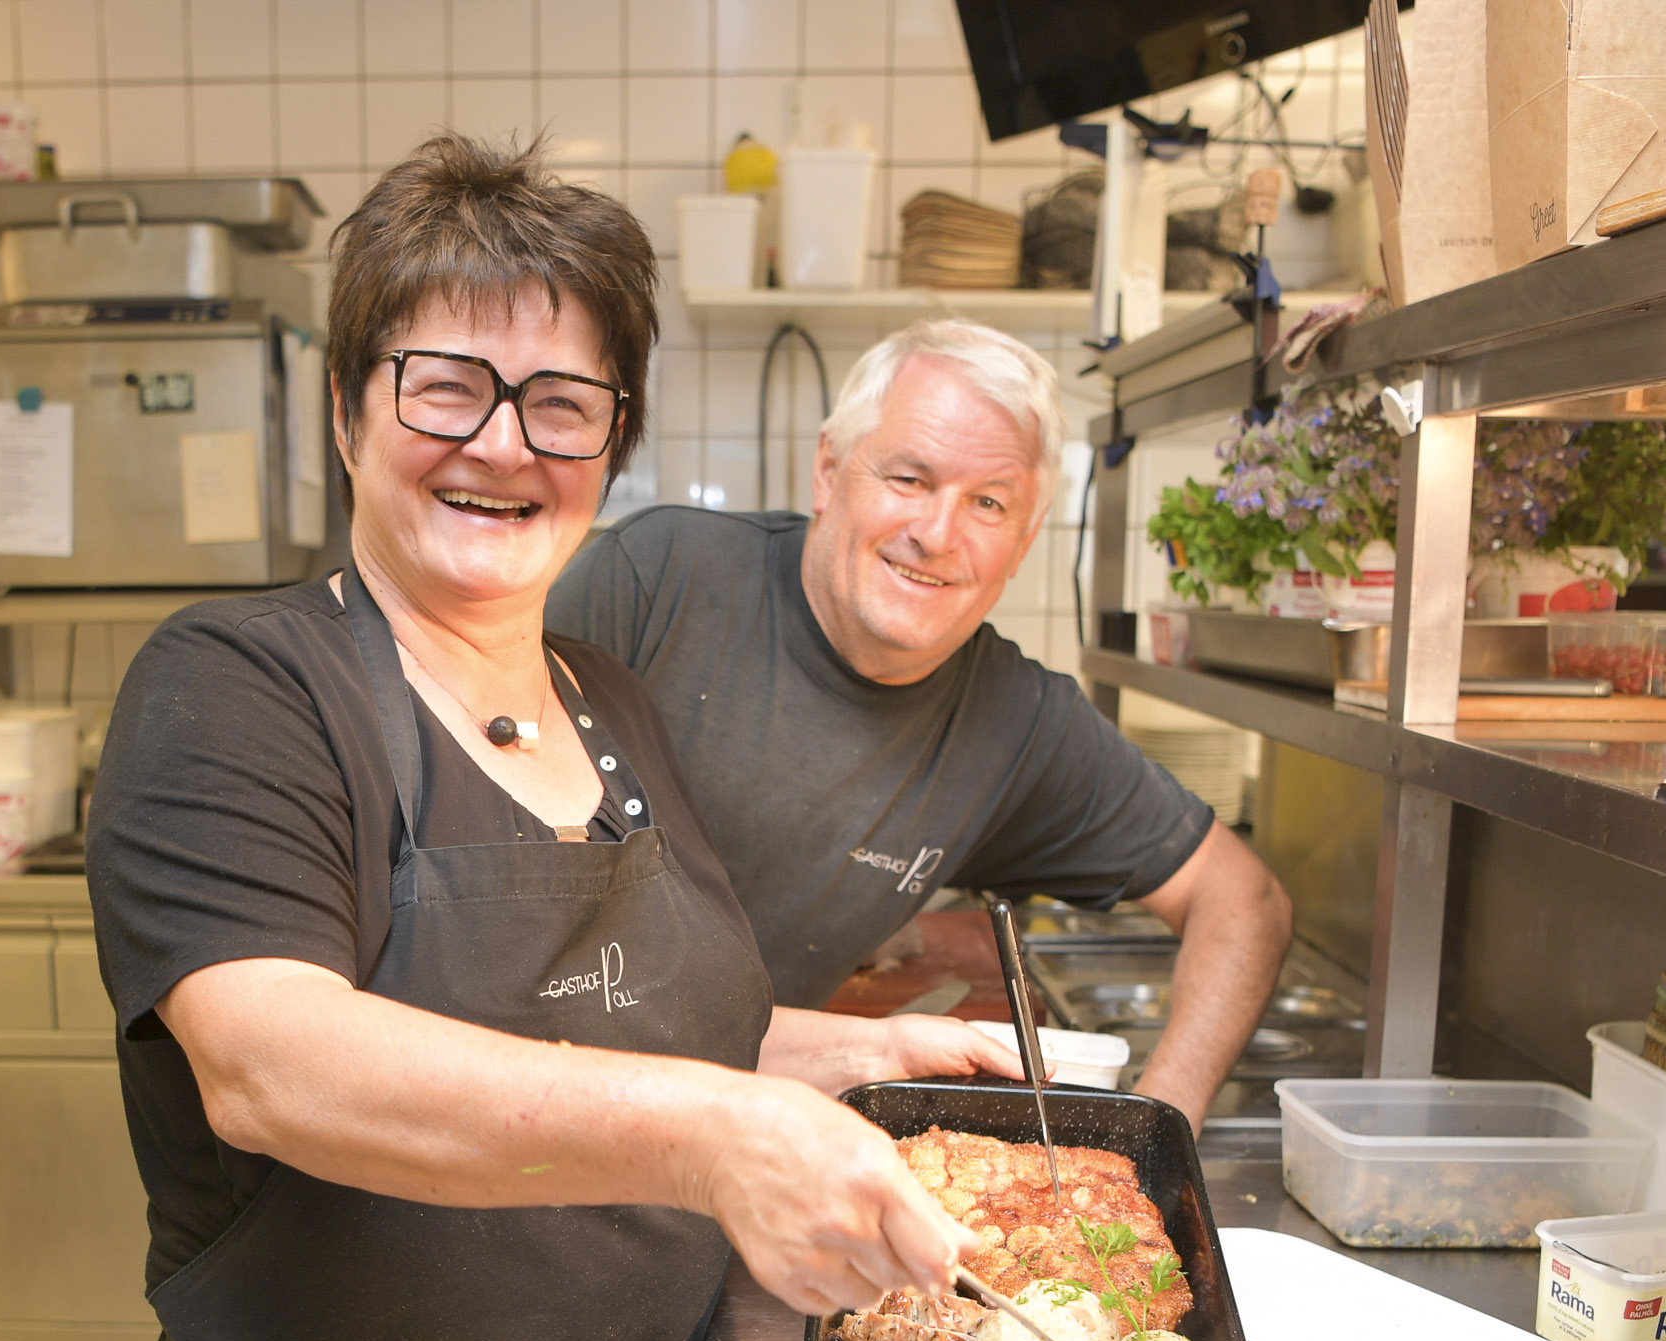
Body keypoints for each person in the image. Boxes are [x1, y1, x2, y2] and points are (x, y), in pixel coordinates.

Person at [84, 136, 1018, 1341]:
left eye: (564, 405)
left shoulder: (609, 702)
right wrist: (724, 1135)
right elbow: (274, 1063)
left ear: (613, 444)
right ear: (346, 405)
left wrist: (819, 1057)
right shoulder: (240, 687)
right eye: (445, 384)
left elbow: (624, 1016)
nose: (504, 446)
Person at [546, 319, 1294, 1128]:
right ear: (828, 471)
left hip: (739, 1148)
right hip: (535, 1115)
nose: (938, 535)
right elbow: (486, 921)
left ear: (1024, 541)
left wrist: (1159, 1130)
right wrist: (866, 1051)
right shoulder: (654, 583)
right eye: (908, 478)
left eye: (988, 503)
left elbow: (1243, 901)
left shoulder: (1016, 722)